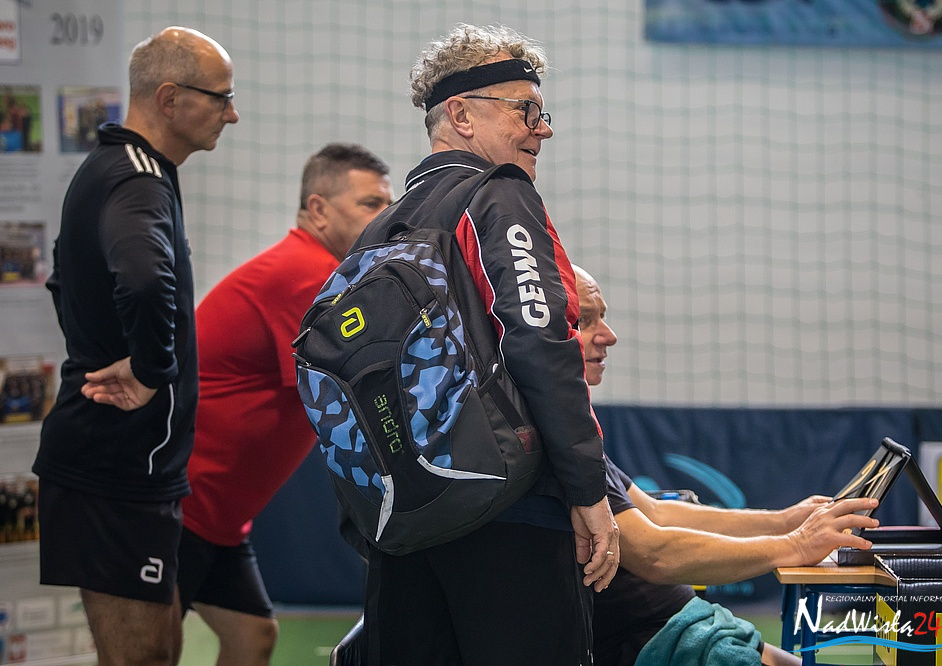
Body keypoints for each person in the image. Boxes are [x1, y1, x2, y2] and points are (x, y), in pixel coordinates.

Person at [351, 23, 619, 665]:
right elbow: (540, 340)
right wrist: (588, 490)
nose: (542, 129)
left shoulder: (380, 227)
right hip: (507, 513)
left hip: (406, 517)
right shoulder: (498, 193)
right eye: (525, 110)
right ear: (462, 115)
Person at [33, 27, 238, 666]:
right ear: (170, 98)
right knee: (142, 658)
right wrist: (151, 370)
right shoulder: (136, 178)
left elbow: (64, 280)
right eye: (222, 97)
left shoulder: (122, 171)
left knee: (160, 651)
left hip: (132, 465)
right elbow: (144, 279)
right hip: (115, 464)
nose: (232, 114)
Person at [572, 264, 880, 666]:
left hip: (686, 625)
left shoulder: (576, 429)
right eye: (585, 320)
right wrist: (796, 544)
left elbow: (656, 512)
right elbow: (653, 553)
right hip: (659, 642)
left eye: (603, 317)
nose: (609, 335)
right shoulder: (558, 441)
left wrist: (785, 520)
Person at [178, 143, 392, 665]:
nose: (386, 217)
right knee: (147, 650)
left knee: (252, 638)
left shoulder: (329, 275)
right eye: (370, 204)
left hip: (218, 517)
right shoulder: (306, 274)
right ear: (318, 209)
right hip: (176, 507)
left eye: (390, 204)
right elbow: (362, 385)